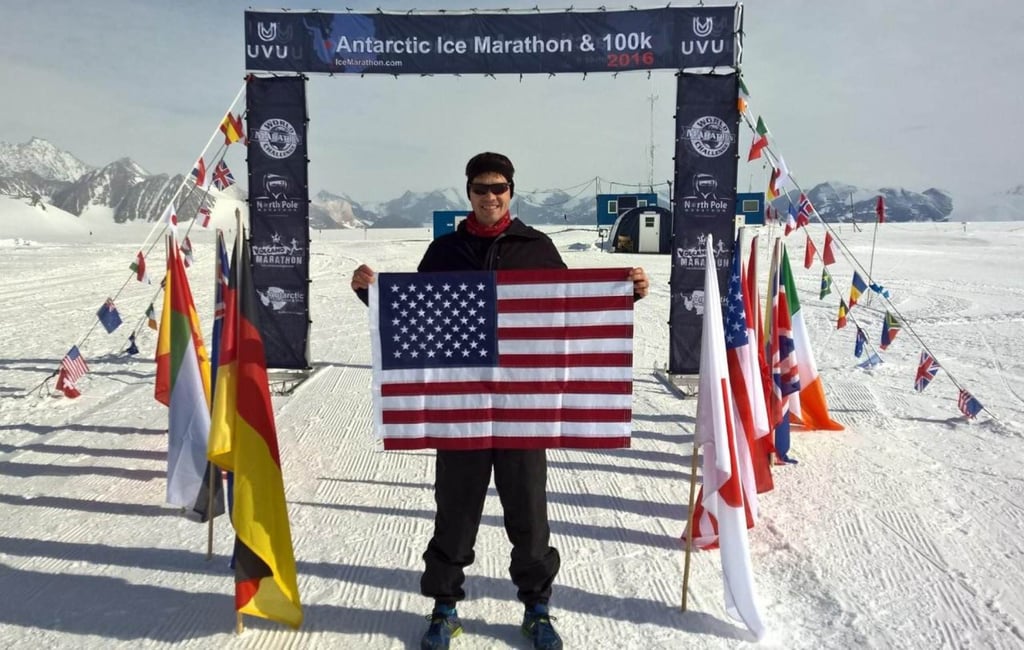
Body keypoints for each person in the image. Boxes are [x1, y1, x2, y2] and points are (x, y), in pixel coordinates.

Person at [351, 152, 649, 650]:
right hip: (461, 409)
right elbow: (414, 319)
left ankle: (537, 606)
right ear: (467, 192)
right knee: (455, 514)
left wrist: (625, 296)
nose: (491, 196)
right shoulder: (445, 251)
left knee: (529, 517)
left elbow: (567, 317)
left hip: (523, 410)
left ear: (512, 191)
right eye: (481, 188)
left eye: (500, 187)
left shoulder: (537, 248)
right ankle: (444, 606)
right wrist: (371, 293)